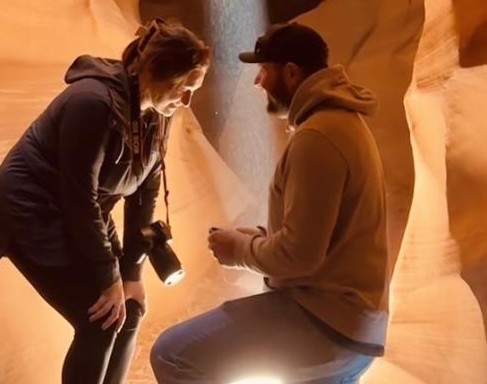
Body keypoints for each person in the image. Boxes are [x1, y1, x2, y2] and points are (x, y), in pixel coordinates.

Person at [150, 22, 389, 384]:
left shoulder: (318, 137)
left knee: (172, 354)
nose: (257, 81)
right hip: (355, 329)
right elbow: (327, 238)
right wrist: (262, 235)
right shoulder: (341, 124)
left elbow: (300, 256)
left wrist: (241, 249)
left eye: (264, 71)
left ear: (291, 73)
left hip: (324, 323)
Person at [0, 19, 211, 384]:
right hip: (31, 210)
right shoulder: (92, 104)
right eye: (184, 86)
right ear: (153, 70)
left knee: (130, 310)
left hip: (80, 212)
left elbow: (144, 193)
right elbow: (78, 195)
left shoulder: (154, 114)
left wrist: (131, 274)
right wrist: (108, 277)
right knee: (100, 322)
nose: (186, 99)